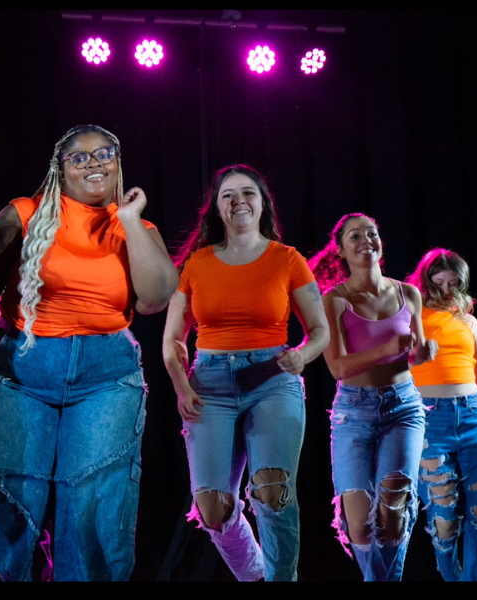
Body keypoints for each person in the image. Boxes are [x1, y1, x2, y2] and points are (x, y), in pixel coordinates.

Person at [0, 124, 178, 581]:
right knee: (8, 495)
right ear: (59, 170)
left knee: (92, 506)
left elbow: (156, 297)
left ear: (118, 163)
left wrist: (128, 220)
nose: (94, 162)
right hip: (19, 372)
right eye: (79, 157)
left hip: (105, 379)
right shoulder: (25, 213)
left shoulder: (137, 227)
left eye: (104, 153)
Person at [161, 165, 329, 581]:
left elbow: (320, 330)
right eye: (228, 195)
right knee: (213, 508)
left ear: (262, 203)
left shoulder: (287, 259)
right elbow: (173, 340)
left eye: (248, 193)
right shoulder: (197, 264)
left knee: (272, 492)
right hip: (210, 382)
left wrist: (303, 355)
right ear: (216, 208)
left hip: (272, 377)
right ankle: (256, 576)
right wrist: (181, 387)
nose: (239, 201)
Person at [309, 213, 437, 581]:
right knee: (362, 529)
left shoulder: (407, 293)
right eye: (355, 236)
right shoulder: (334, 299)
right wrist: (389, 348)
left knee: (393, 514)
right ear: (342, 250)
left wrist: (421, 353)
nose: (366, 240)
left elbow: (411, 353)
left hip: (404, 409)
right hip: (354, 412)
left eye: (372, 234)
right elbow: (337, 367)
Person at [407, 249, 477, 581]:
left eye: (453, 282)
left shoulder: (468, 319)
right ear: (426, 280)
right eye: (439, 282)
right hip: (431, 419)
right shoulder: (412, 314)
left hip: (474, 415)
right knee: (444, 520)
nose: (446, 290)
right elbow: (397, 365)